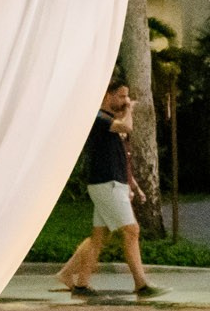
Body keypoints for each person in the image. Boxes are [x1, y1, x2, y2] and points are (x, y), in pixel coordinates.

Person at [57, 80, 156, 297]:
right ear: (106, 96)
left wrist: (133, 186)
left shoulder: (109, 120)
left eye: (127, 96)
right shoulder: (99, 118)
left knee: (98, 238)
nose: (125, 100)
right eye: (121, 96)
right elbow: (127, 126)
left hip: (113, 184)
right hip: (106, 184)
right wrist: (129, 109)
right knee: (132, 230)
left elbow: (122, 159)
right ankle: (141, 283)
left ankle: (81, 283)